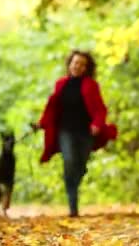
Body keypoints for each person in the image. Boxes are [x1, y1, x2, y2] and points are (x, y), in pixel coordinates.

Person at [33, 50, 118, 217]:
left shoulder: (91, 85)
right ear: (70, 64)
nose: (77, 66)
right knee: (70, 160)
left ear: (86, 68)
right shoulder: (61, 84)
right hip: (65, 131)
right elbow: (52, 108)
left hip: (86, 132)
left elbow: (100, 109)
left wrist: (97, 124)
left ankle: (74, 181)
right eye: (75, 62)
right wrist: (41, 123)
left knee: (80, 165)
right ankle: (73, 205)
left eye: (81, 64)